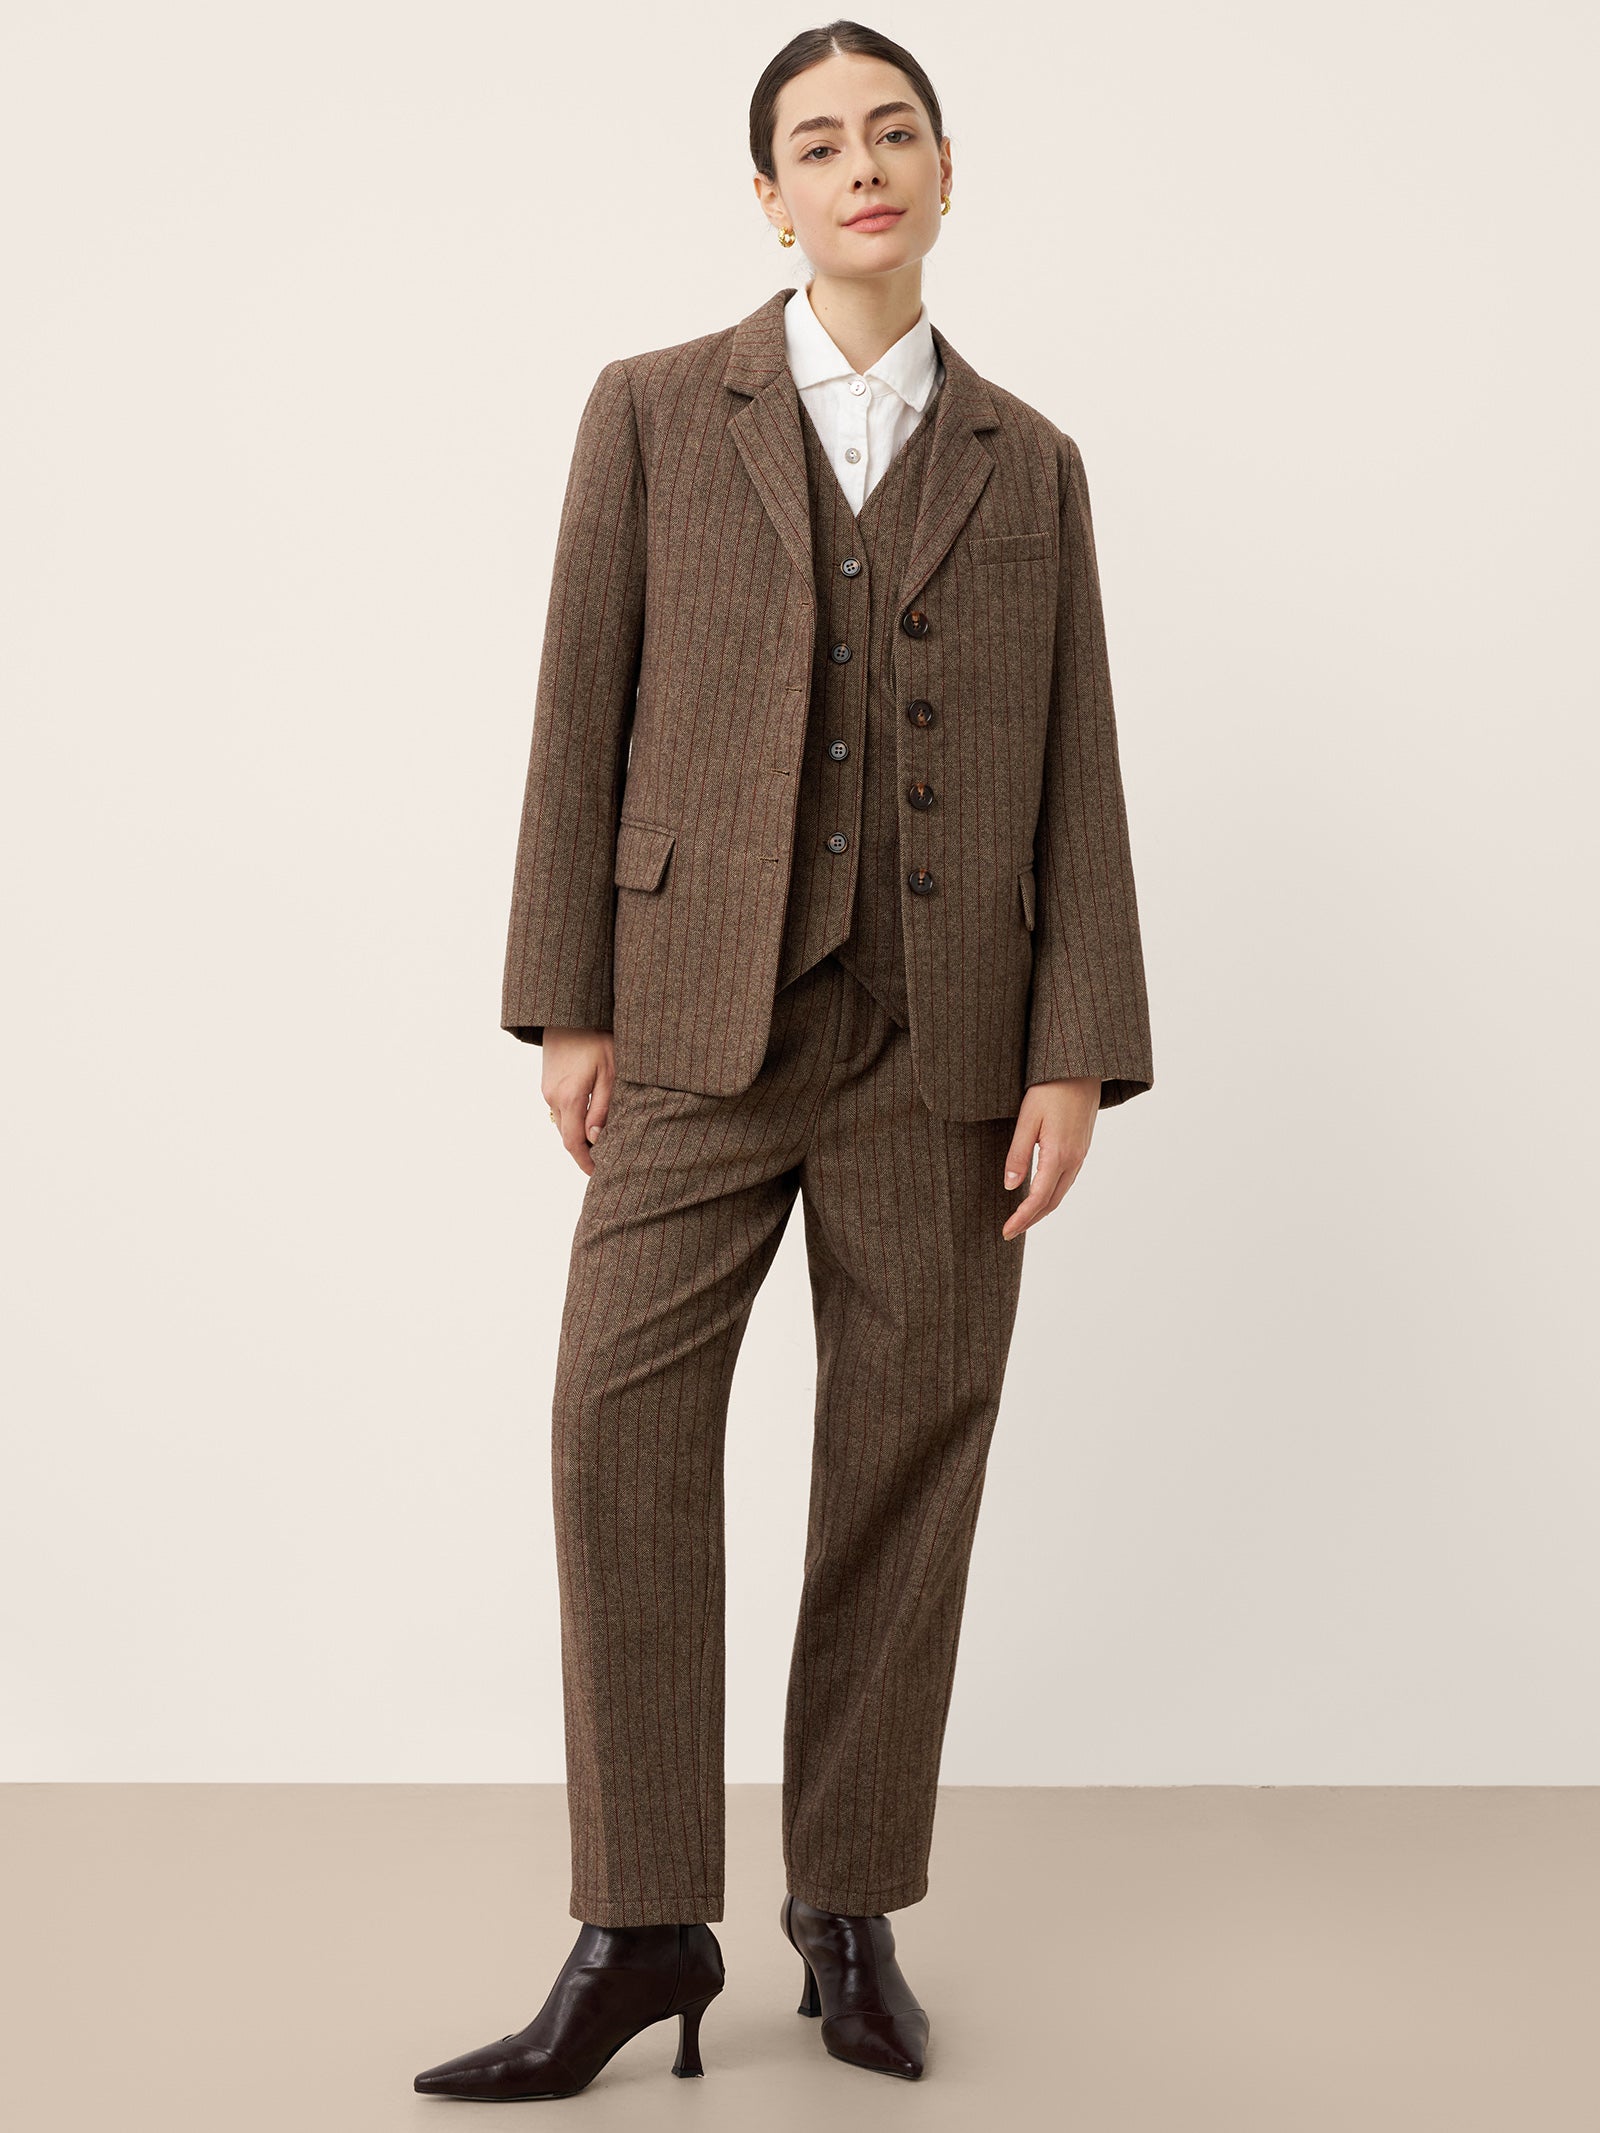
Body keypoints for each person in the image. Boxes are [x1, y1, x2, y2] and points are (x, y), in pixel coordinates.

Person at [414, 18, 1153, 2103]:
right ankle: (643, 1918)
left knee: (903, 1457)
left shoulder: (1029, 460)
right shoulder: (656, 411)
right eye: (817, 144)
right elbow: (578, 705)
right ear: (769, 197)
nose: (859, 166)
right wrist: (569, 996)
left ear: (944, 172)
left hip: (946, 1035)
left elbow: (1077, 766)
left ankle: (848, 1905)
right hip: (694, 1015)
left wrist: (1075, 1047)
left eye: (892, 133)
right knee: (615, 1426)